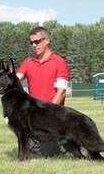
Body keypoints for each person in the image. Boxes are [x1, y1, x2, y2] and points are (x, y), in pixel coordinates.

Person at [16, 26, 70, 157]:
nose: (34, 45)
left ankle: (66, 141)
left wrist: (48, 113)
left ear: (47, 40)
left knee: (49, 153)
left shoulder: (59, 63)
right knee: (30, 148)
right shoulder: (28, 63)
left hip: (51, 116)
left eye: (37, 41)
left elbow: (61, 91)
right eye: (32, 43)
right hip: (33, 117)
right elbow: (15, 79)